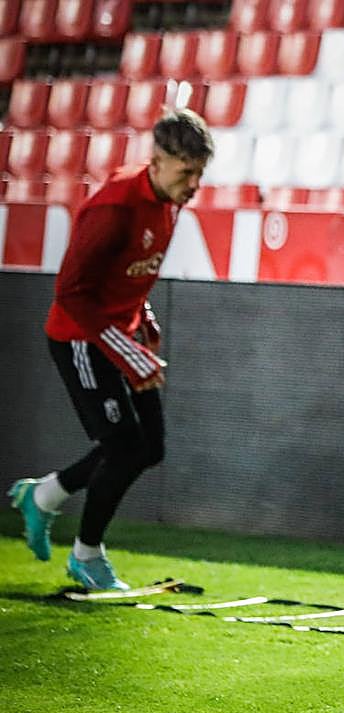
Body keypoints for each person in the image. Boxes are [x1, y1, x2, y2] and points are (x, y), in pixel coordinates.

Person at [8, 108, 214, 591]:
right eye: (187, 172)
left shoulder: (169, 200)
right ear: (157, 161)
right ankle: (86, 556)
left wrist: (143, 318)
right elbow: (72, 295)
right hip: (80, 337)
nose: (195, 184)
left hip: (122, 332)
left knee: (150, 447)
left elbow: (130, 271)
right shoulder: (113, 208)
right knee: (123, 447)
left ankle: (44, 496)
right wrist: (129, 349)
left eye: (200, 173)